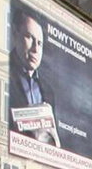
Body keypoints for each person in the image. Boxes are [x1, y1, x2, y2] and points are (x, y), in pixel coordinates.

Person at [8, 8, 58, 146]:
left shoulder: (48, 91)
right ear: (15, 34)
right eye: (29, 37)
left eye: (40, 43)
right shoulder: (3, 72)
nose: (35, 49)